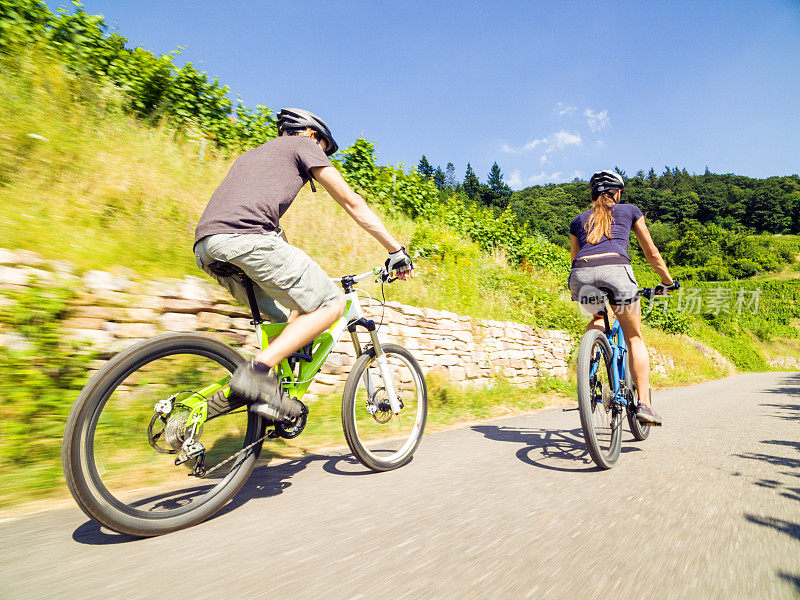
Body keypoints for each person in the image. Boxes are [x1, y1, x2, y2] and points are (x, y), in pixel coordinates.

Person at [193, 108, 413, 421]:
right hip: (246, 238)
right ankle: (256, 372)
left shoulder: (253, 156)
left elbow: (270, 230)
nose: (320, 156)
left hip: (207, 247)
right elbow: (351, 201)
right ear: (312, 135)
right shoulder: (304, 145)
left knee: (290, 319)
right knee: (330, 303)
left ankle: (269, 400)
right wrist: (395, 250)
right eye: (324, 148)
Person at [568, 170, 674, 425]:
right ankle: (644, 405)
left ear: (593, 195)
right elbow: (651, 251)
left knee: (598, 317)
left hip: (581, 274)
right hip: (616, 271)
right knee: (634, 336)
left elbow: (574, 259)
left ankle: (588, 369)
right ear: (617, 192)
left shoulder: (577, 220)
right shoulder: (630, 210)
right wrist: (668, 282)